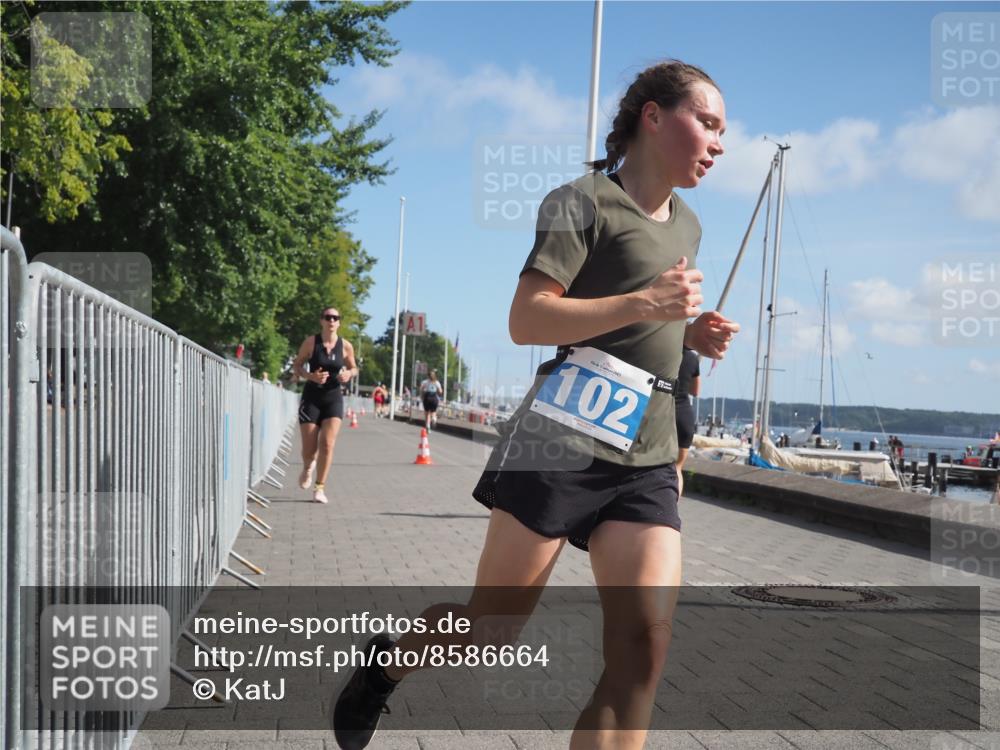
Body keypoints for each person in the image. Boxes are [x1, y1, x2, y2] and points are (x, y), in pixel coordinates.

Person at [333, 60, 738, 750]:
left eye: (723, 130)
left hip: (644, 456)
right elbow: (529, 318)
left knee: (644, 647)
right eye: (707, 121)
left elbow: (645, 322)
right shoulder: (579, 201)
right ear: (652, 116)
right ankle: (387, 665)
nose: (720, 142)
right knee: (491, 629)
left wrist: (686, 329)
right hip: (563, 441)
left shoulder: (690, 225)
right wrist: (649, 304)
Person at [293, 307, 358, 503]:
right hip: (312, 398)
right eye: (328, 317)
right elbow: (297, 365)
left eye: (335, 318)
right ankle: (307, 467)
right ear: (322, 321)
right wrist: (310, 376)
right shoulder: (311, 342)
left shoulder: (345, 346)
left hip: (333, 398)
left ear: (339, 322)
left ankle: (319, 488)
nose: (331, 320)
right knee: (309, 450)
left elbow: (354, 367)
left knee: (328, 444)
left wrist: (349, 373)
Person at [674, 346, 700, 497]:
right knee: (677, 468)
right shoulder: (692, 358)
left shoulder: (664, 349)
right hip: (684, 415)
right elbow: (695, 391)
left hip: (662, 412)